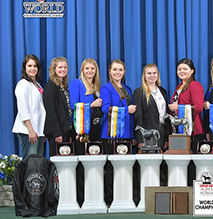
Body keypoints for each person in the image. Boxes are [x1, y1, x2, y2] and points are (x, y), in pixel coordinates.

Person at [100, 59, 136, 205]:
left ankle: (125, 196)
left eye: (120, 70)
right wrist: (127, 109)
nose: (117, 72)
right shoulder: (106, 88)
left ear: (124, 72)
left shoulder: (127, 88)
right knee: (110, 167)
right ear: (109, 71)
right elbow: (105, 108)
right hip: (111, 133)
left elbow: (132, 116)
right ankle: (110, 198)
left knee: (126, 166)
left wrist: (132, 134)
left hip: (126, 133)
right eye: (115, 69)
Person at [69, 58, 103, 207]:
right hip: (82, 129)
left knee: (94, 162)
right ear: (82, 70)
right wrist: (91, 104)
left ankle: (94, 196)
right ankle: (81, 198)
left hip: (96, 129)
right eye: (87, 68)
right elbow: (73, 104)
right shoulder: (76, 83)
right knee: (82, 162)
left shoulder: (97, 87)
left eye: (93, 69)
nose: (90, 71)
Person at [169, 58, 205, 186]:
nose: (182, 71)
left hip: (193, 130)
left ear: (192, 71)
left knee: (191, 164)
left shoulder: (195, 85)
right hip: (181, 131)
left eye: (185, 69)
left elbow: (199, 107)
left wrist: (178, 107)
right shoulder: (180, 86)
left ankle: (192, 189)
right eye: (179, 69)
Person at [12, 55, 46, 159]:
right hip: (28, 130)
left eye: (35, 66)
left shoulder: (38, 85)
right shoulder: (23, 84)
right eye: (29, 66)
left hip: (38, 131)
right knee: (30, 164)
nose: (32, 69)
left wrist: (42, 131)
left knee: (37, 163)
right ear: (25, 68)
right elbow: (23, 108)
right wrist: (30, 130)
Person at [133, 63, 169, 150]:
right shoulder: (139, 92)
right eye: (149, 73)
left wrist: (168, 137)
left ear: (158, 74)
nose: (152, 75)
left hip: (162, 133)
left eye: (154, 73)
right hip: (147, 135)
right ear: (144, 76)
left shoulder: (163, 91)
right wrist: (140, 139)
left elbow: (166, 114)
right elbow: (138, 116)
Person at [44, 57, 73, 157]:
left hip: (65, 129)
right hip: (56, 132)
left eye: (65, 67)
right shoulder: (51, 86)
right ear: (54, 69)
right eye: (60, 67)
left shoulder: (63, 85)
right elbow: (51, 111)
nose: (63, 69)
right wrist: (57, 133)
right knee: (57, 162)